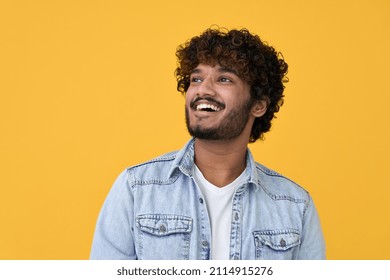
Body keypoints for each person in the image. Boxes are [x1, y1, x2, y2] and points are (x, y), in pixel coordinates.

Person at [90, 27, 326, 260]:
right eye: (196, 78)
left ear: (258, 105)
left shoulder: (295, 206)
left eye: (224, 79)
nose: (203, 89)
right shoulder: (136, 189)